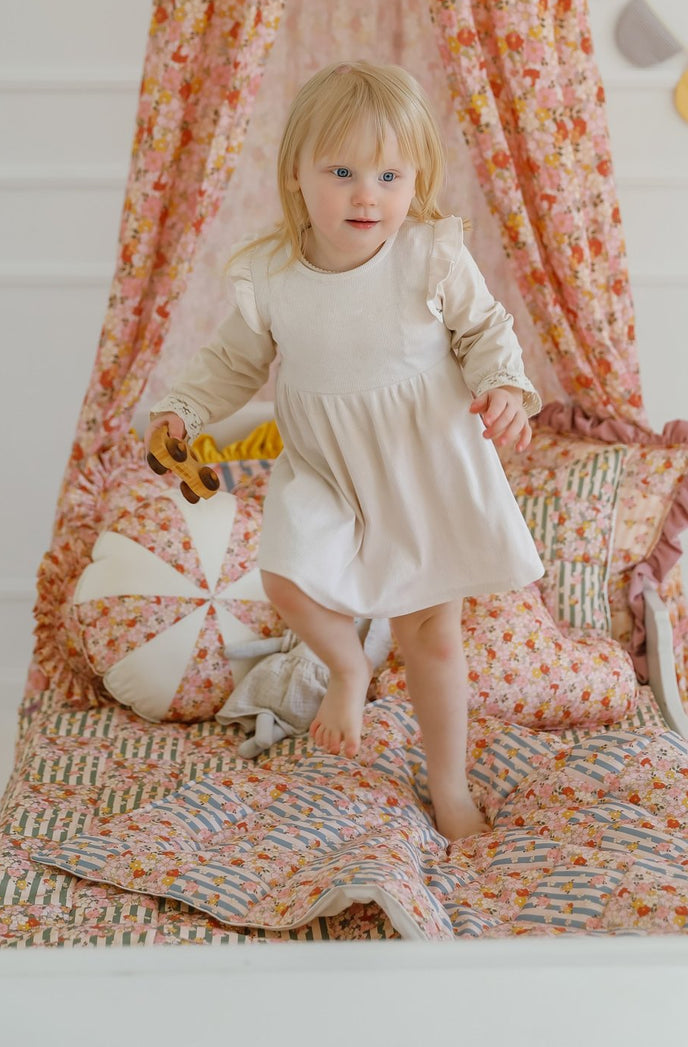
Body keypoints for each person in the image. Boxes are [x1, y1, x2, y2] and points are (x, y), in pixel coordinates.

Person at [145, 61, 543, 843]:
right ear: (298, 175)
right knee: (285, 573)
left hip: (424, 467)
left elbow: (485, 329)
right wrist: (182, 409)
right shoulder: (274, 277)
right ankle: (348, 666)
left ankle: (450, 786)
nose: (368, 193)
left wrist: (504, 385)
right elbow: (232, 363)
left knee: (434, 634)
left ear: (415, 178)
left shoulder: (428, 255)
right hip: (327, 469)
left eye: (390, 174)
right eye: (343, 171)